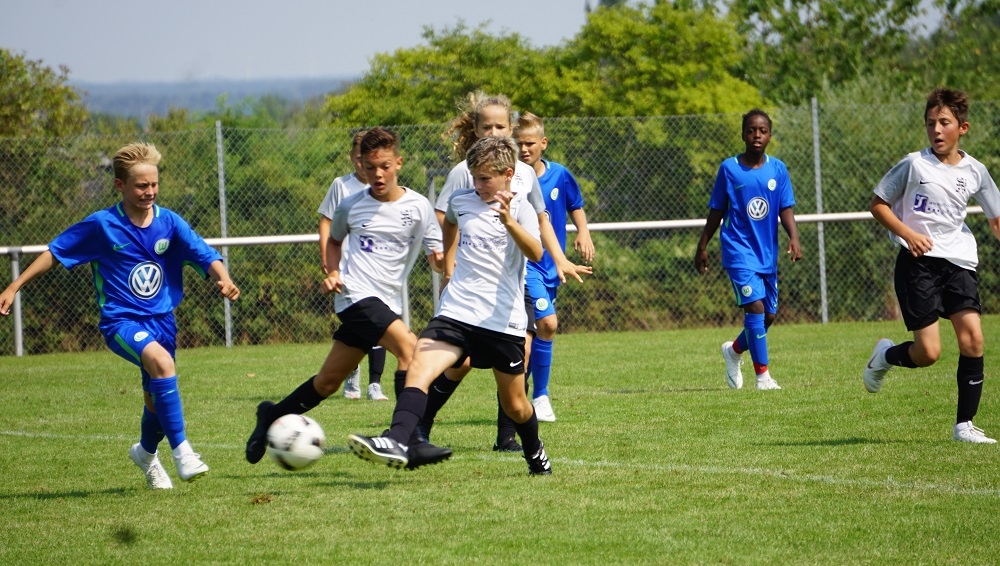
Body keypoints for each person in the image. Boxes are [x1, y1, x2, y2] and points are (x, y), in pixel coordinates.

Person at [0, 142, 240, 489]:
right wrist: (14, 286)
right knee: (162, 364)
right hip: (121, 322)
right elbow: (56, 252)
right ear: (120, 185)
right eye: (141, 186)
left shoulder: (169, 222)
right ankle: (183, 453)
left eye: (154, 184)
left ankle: (145, 454)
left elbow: (205, 254)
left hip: (163, 322)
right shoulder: (103, 225)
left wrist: (224, 279)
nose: (149, 191)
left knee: (156, 400)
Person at [245, 127, 449, 468]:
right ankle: (408, 439)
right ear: (361, 166)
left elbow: (435, 257)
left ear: (399, 163)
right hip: (355, 296)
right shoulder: (351, 205)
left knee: (327, 383)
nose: (378, 174)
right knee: (411, 350)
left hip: (387, 302)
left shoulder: (419, 207)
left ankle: (271, 415)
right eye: (370, 167)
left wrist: (445, 264)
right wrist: (333, 271)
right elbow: (334, 240)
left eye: (384, 166)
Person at [348, 135, 552, 475]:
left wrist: (509, 222)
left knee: (516, 405)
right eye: (475, 177)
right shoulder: (462, 200)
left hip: (502, 321)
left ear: (508, 174)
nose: (478, 185)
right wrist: (449, 266)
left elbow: (536, 253)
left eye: (485, 178)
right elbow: (451, 224)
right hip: (457, 310)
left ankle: (535, 453)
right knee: (419, 367)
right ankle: (398, 439)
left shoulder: (521, 209)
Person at [417, 91, 591, 452]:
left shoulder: (524, 173)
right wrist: (446, 264)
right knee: (460, 363)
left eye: (500, 126)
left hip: (516, 280)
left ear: (510, 129)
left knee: (520, 354)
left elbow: (540, 220)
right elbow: (444, 218)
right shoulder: (465, 173)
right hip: (473, 285)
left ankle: (507, 437)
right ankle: (422, 426)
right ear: (476, 130)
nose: (494, 132)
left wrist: (559, 258)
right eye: (487, 127)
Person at [863, 87, 1000, 444]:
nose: (936, 130)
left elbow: (996, 218)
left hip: (958, 262)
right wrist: (908, 234)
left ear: (963, 127)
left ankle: (964, 426)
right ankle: (885, 356)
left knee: (973, 338)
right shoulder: (914, 164)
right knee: (929, 353)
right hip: (917, 264)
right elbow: (878, 205)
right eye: (930, 123)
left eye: (944, 122)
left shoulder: (976, 171)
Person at [695, 109, 802, 391]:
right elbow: (717, 209)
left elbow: (785, 207)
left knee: (768, 316)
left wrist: (794, 237)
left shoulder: (777, 169)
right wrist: (703, 245)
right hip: (738, 250)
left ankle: (733, 352)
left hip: (766, 253)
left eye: (762, 131)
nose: (757, 135)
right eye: (751, 130)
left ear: (770, 136)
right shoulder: (729, 169)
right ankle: (763, 377)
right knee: (754, 307)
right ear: (743, 134)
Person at [513, 112, 595, 422]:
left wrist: (583, 232)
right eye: (519, 144)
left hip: (552, 268)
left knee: (536, 334)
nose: (524, 149)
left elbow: (575, 205)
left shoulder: (559, 175)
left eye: (530, 143)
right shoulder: (512, 178)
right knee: (547, 323)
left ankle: (522, 398)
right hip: (527, 265)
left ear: (543, 143)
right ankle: (541, 396)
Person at [317, 129, 389, 401]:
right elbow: (326, 220)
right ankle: (353, 370)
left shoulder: (384, 185)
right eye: (359, 158)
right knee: (359, 322)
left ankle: (375, 384)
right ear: (352, 157)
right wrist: (327, 257)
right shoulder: (342, 185)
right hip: (348, 268)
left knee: (380, 322)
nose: (363, 164)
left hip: (378, 267)